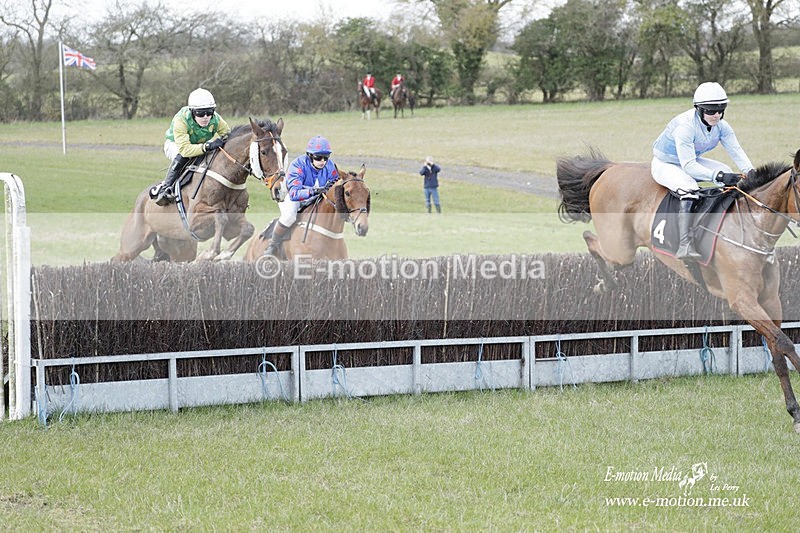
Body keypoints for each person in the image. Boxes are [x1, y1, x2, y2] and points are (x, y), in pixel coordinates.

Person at [651, 81, 754, 260]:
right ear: (698, 109)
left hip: (689, 159)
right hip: (665, 163)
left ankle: (725, 226)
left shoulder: (722, 126)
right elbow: (689, 167)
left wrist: (751, 171)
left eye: (721, 110)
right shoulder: (685, 127)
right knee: (688, 187)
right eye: (710, 111)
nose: (716, 115)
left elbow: (736, 151)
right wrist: (718, 176)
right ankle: (685, 244)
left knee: (726, 171)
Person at [151, 88, 231, 206]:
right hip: (176, 145)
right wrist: (207, 146)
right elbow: (185, 150)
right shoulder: (181, 120)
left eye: (209, 112)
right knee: (182, 157)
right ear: (192, 111)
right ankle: (166, 188)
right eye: (200, 113)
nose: (205, 117)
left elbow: (227, 134)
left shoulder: (216, 119)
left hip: (200, 144)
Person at [264, 136, 340, 256]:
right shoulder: (298, 166)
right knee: (289, 216)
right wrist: (314, 191)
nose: (323, 161)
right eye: (318, 157)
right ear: (310, 155)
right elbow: (294, 194)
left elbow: (337, 183)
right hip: (292, 196)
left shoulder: (330, 166)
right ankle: (272, 245)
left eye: (326, 158)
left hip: (316, 197)